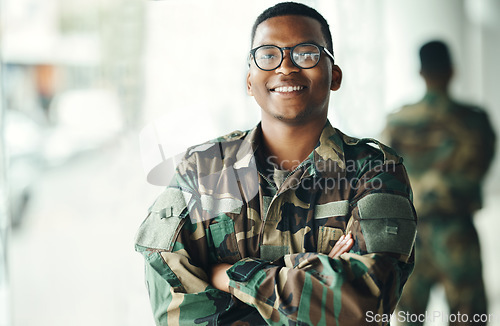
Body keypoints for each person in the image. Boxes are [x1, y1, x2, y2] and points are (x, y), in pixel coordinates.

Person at [136, 2, 417, 325]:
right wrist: (310, 282)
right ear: (249, 81)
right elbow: (171, 302)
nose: (286, 67)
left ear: (334, 75)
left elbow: (362, 304)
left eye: (306, 53)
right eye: (268, 55)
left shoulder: (375, 171)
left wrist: (232, 276)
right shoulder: (203, 169)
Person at [382, 40, 496, 325]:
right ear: (452, 71)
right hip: (457, 232)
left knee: (408, 317)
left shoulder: (398, 121)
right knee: (470, 318)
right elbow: (480, 168)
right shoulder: (475, 121)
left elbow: (383, 175)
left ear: (421, 72)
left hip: (410, 237)